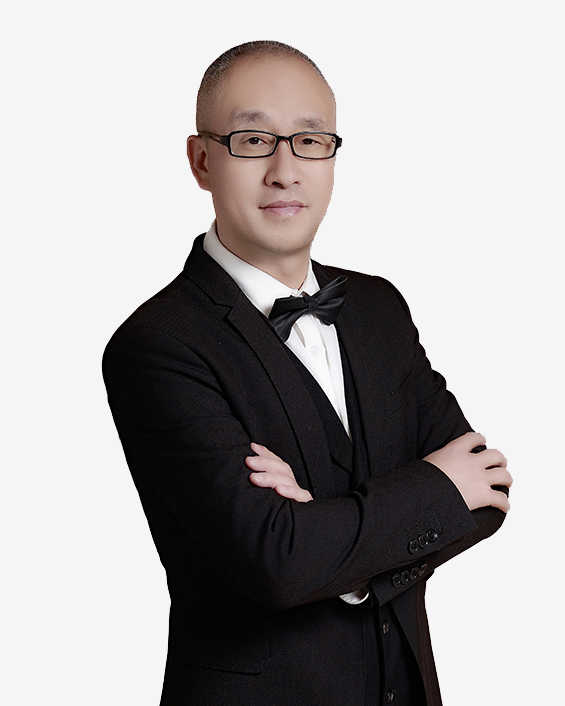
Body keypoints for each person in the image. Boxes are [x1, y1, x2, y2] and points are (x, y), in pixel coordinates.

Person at [103, 40, 512, 706]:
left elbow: (485, 488)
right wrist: (423, 496)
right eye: (253, 140)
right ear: (201, 160)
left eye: (310, 141)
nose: (285, 171)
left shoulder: (377, 306)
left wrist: (326, 531)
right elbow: (279, 564)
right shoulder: (156, 344)